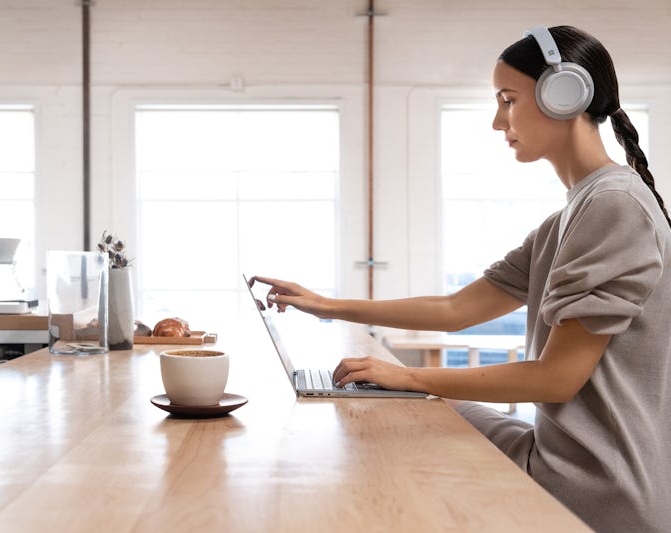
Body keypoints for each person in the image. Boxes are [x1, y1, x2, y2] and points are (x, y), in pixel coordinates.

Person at [251, 25, 670, 533]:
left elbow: (557, 379)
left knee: (409, 417)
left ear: (565, 96)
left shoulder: (613, 206)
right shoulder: (574, 215)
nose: (499, 122)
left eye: (508, 100)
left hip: (600, 491)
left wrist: (407, 377)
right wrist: (327, 304)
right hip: (570, 463)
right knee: (416, 411)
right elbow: (458, 309)